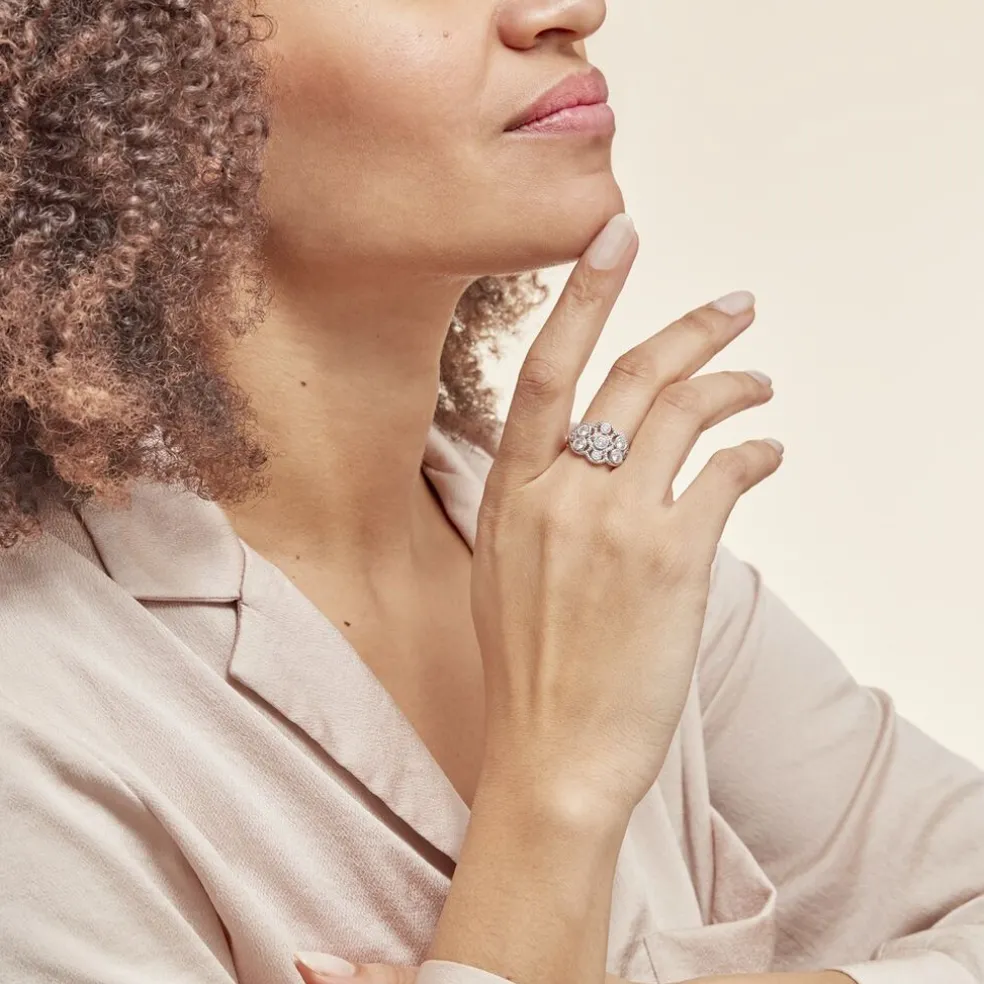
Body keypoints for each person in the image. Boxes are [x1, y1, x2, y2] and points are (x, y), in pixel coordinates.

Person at [1, 2, 981, 984]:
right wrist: (558, 794)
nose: (567, 8)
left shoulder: (600, 558)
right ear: (128, 86)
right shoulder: (35, 721)